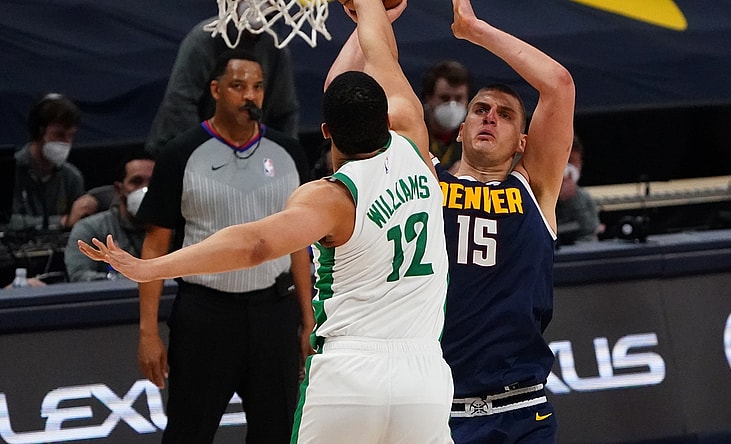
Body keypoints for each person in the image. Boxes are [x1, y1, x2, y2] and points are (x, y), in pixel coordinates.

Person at [80, 1, 454, 442]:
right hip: (426, 372)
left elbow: (254, 245)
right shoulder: (415, 143)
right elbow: (381, 56)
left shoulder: (330, 198)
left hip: (352, 370)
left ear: (326, 131)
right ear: (388, 117)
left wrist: (151, 268)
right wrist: (373, 8)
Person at [125, 49, 312, 443]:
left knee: (278, 432)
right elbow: (156, 246)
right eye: (238, 86)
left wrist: (308, 320)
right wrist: (147, 332)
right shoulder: (181, 153)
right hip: (206, 316)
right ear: (215, 90)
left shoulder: (289, 153)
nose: (250, 96)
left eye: (258, 87)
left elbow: (300, 245)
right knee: (189, 433)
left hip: (274, 314)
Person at [437, 0, 575, 442]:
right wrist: (372, 19)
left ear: (522, 142)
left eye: (505, 114)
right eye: (479, 110)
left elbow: (558, 84)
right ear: (460, 129)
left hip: (519, 410)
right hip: (436, 407)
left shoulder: (534, 188)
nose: (490, 117)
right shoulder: (423, 181)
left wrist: (474, 30)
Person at [145, 4, 300, 156]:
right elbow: (180, 102)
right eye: (238, 86)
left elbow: (285, 113)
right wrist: (207, 151)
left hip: (245, 152)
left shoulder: (276, 48)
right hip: (183, 148)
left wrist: (287, 156)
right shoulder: (204, 38)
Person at [64, 151, 155, 282]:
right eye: (136, 182)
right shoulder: (90, 228)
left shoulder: (173, 226)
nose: (145, 189)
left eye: (152, 183)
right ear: (119, 189)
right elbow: (79, 276)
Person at [11, 93, 93, 231]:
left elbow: (78, 223)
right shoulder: (11, 171)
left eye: (71, 136)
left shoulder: (72, 176)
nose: (66, 143)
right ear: (39, 131)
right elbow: (7, 222)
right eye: (59, 134)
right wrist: (62, 221)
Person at [422, 59, 472, 173]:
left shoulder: (473, 134)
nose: (452, 105)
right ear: (428, 98)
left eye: (459, 98)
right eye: (445, 98)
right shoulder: (412, 129)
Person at [556, 134, 601, 243]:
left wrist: (570, 199)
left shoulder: (584, 197)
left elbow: (590, 231)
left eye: (571, 162)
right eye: (563, 162)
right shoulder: (537, 197)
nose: (567, 168)